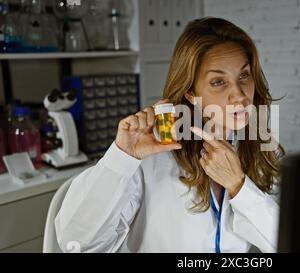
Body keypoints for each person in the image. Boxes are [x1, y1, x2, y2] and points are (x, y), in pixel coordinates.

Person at [55, 17, 285, 253]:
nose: (239, 95)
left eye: (244, 76)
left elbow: (287, 240)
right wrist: (121, 159)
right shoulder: (150, 154)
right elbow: (77, 244)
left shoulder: (260, 149)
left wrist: (239, 185)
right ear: (191, 93)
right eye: (218, 82)